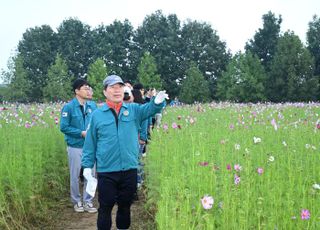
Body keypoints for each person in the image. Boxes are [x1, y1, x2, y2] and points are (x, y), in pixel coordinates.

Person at [81, 75, 168, 230]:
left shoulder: (133, 110)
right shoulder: (97, 115)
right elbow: (90, 143)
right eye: (112, 87)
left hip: (129, 168)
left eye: (120, 87)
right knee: (105, 207)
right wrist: (87, 166)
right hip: (107, 170)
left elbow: (150, 109)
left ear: (124, 90)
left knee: (125, 206)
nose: (117, 90)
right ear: (105, 91)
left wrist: (157, 102)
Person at [60, 78, 97, 213]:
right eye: (85, 88)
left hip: (90, 146)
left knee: (91, 175)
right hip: (75, 146)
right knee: (75, 175)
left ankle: (88, 201)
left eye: (89, 88)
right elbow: (64, 127)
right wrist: (80, 133)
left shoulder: (92, 106)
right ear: (77, 91)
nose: (88, 91)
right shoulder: (68, 107)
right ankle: (77, 201)